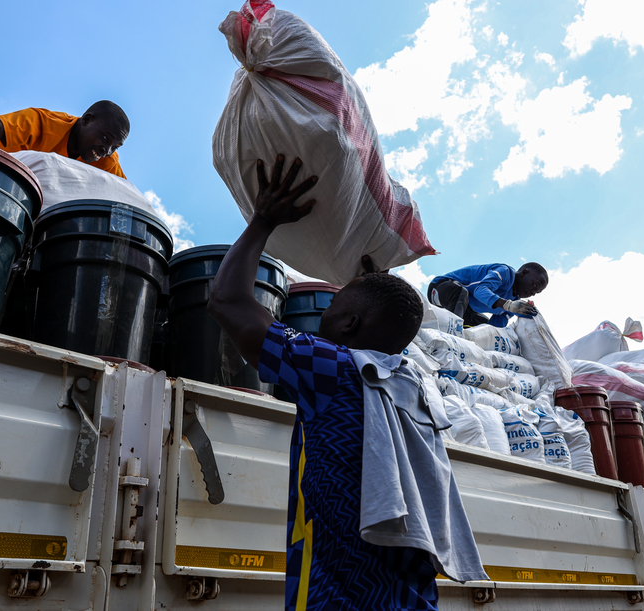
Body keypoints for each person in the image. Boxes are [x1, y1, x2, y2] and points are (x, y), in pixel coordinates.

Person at [207, 155, 486, 610]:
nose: (321, 318)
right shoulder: (413, 388)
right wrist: (372, 275)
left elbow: (226, 301)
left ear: (351, 323)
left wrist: (264, 220)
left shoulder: (334, 369)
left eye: (331, 309)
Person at [0, 101, 130, 178]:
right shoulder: (44, 124)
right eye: (105, 138)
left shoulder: (107, 161)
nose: (107, 150)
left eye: (115, 147)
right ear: (86, 120)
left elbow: (129, 200)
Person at [428, 262, 548, 328]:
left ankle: (459, 340)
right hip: (440, 288)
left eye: (537, 292)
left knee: (483, 328)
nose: (533, 293)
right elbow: (480, 290)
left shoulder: (514, 303)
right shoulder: (505, 273)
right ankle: (452, 335)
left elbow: (495, 328)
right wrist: (507, 304)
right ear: (524, 273)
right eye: (535, 285)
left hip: (463, 308)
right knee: (461, 293)